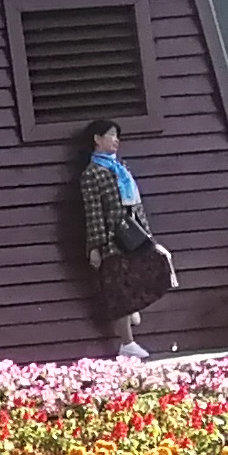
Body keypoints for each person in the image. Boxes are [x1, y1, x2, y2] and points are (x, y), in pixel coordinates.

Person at [74, 116, 162, 354]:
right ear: (97, 139)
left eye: (117, 135)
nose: (116, 140)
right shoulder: (93, 173)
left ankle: (134, 307)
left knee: (144, 275)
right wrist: (95, 246)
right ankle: (127, 343)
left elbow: (136, 203)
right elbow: (93, 212)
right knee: (119, 292)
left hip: (134, 236)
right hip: (112, 239)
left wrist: (148, 235)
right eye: (111, 135)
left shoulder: (120, 167)